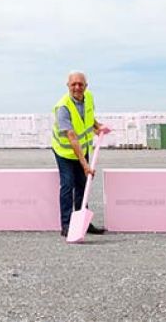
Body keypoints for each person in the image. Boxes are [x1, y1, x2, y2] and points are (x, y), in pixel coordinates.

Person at [50, 71, 107, 237]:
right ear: (68, 86)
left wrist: (97, 126)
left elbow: (88, 117)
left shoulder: (88, 97)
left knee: (83, 184)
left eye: (80, 84)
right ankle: (67, 225)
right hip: (65, 151)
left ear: (86, 86)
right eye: (73, 84)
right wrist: (85, 165)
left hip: (82, 149)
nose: (77, 87)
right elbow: (72, 137)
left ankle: (84, 223)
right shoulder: (63, 107)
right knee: (68, 185)